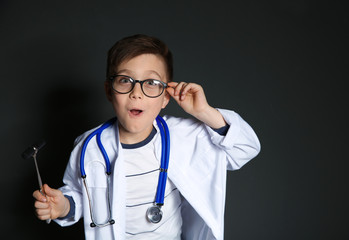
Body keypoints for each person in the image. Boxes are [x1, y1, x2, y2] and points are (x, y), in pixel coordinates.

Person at [32, 34, 260, 240]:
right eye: (125, 81)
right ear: (109, 91)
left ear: (165, 96)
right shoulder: (90, 146)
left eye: (151, 83)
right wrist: (64, 206)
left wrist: (204, 112)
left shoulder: (184, 136)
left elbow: (245, 148)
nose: (137, 93)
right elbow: (83, 196)